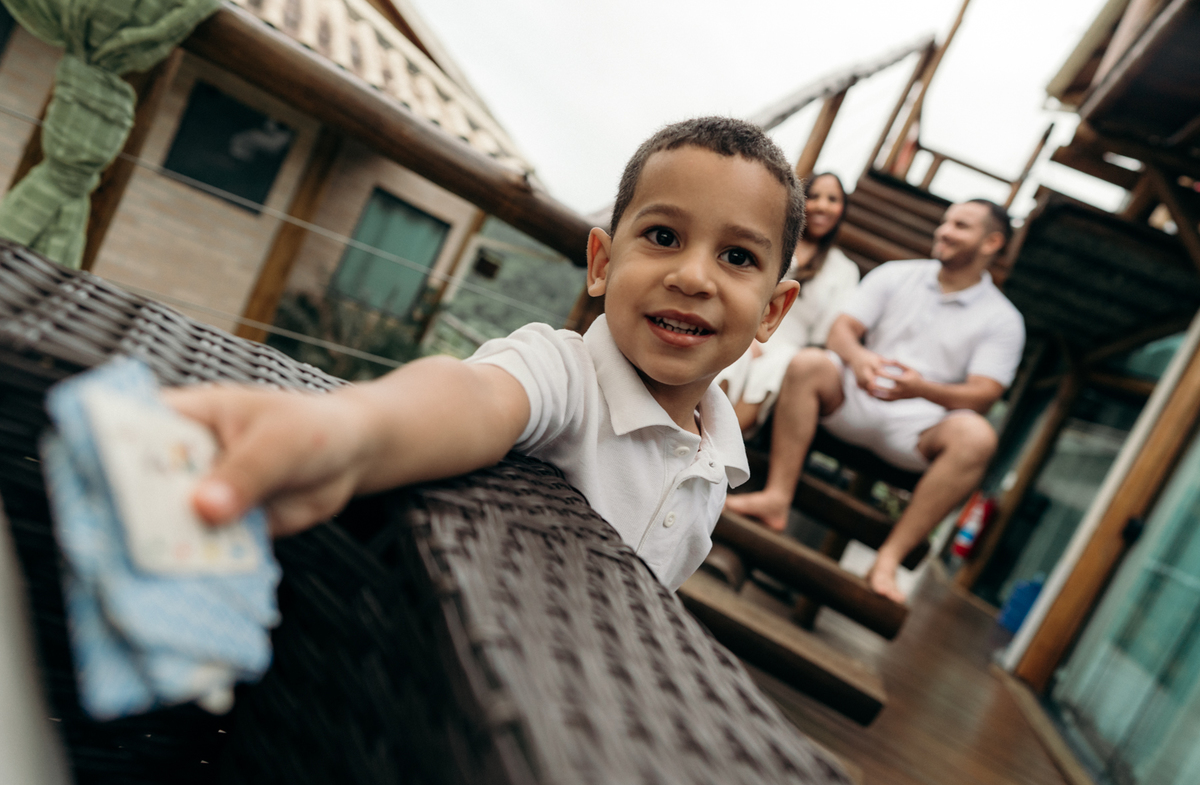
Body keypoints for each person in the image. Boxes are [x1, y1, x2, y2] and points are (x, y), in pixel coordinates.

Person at [167, 117, 804, 592]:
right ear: (603, 263)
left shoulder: (718, 470)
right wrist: (348, 430)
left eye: (737, 256)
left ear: (772, 310)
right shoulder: (567, 375)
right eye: (663, 237)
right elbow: (476, 396)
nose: (693, 276)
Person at [725, 199, 1025, 602]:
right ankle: (777, 498)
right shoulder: (896, 275)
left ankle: (888, 558)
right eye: (945, 221)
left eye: (960, 225)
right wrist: (860, 359)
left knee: (979, 437)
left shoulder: (1003, 319)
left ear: (991, 242)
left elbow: (985, 395)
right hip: (854, 398)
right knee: (809, 362)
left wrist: (922, 390)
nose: (944, 231)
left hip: (919, 428)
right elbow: (842, 329)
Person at [718, 172, 859, 433]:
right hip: (748, 323)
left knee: (775, 366)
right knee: (739, 354)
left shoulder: (844, 270)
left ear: (842, 210)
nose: (822, 206)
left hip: (791, 346)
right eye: (814, 196)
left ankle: (723, 444)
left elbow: (824, 333)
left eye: (832, 199)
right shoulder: (771, 241)